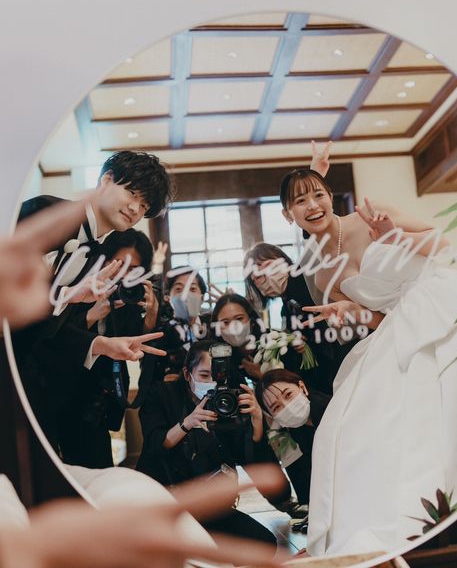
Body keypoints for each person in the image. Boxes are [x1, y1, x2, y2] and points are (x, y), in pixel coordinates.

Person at [0, 198, 285, 568]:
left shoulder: (137, 314)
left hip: (96, 415)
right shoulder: (75, 298)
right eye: (117, 267)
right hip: (61, 408)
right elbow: (47, 348)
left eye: (133, 272)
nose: (122, 279)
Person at [279, 167, 457, 555]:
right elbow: (376, 318)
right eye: (300, 201)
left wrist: (392, 236)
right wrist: (351, 310)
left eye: (318, 194)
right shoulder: (318, 273)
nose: (312, 205)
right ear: (289, 214)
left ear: (330, 196)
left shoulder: (369, 215)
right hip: (395, 327)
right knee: (346, 426)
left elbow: (442, 245)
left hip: (440, 301)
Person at [13, 152, 173, 454]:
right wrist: (69, 295)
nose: (135, 209)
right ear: (106, 179)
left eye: (144, 206)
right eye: (132, 192)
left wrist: (101, 344)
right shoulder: (45, 212)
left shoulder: (99, 260)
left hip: (30, 383)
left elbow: (49, 328)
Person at [136, 339, 277, 546]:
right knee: (187, 550)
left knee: (265, 543)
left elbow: (247, 458)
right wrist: (186, 424)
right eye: (204, 375)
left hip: (209, 505)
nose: (211, 382)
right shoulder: (162, 394)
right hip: (166, 501)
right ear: (187, 374)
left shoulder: (228, 401)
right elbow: (154, 445)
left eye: (218, 376)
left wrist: (257, 420)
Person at [54, 229, 159, 468]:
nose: (124, 274)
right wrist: (92, 314)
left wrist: (151, 315)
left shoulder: (128, 300)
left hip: (98, 402)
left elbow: (136, 346)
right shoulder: (78, 286)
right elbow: (54, 338)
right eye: (118, 264)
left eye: (134, 269)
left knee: (99, 468)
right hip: (62, 394)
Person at [244, 242, 354, 394]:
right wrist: (301, 345)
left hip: (347, 352)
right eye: (258, 277)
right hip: (328, 373)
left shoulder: (310, 279)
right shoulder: (285, 310)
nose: (267, 275)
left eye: (269, 265)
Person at [257, 369, 330, 519]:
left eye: (288, 395)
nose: (287, 406)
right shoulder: (293, 429)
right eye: (276, 407)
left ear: (302, 387)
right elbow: (305, 482)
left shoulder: (329, 410)